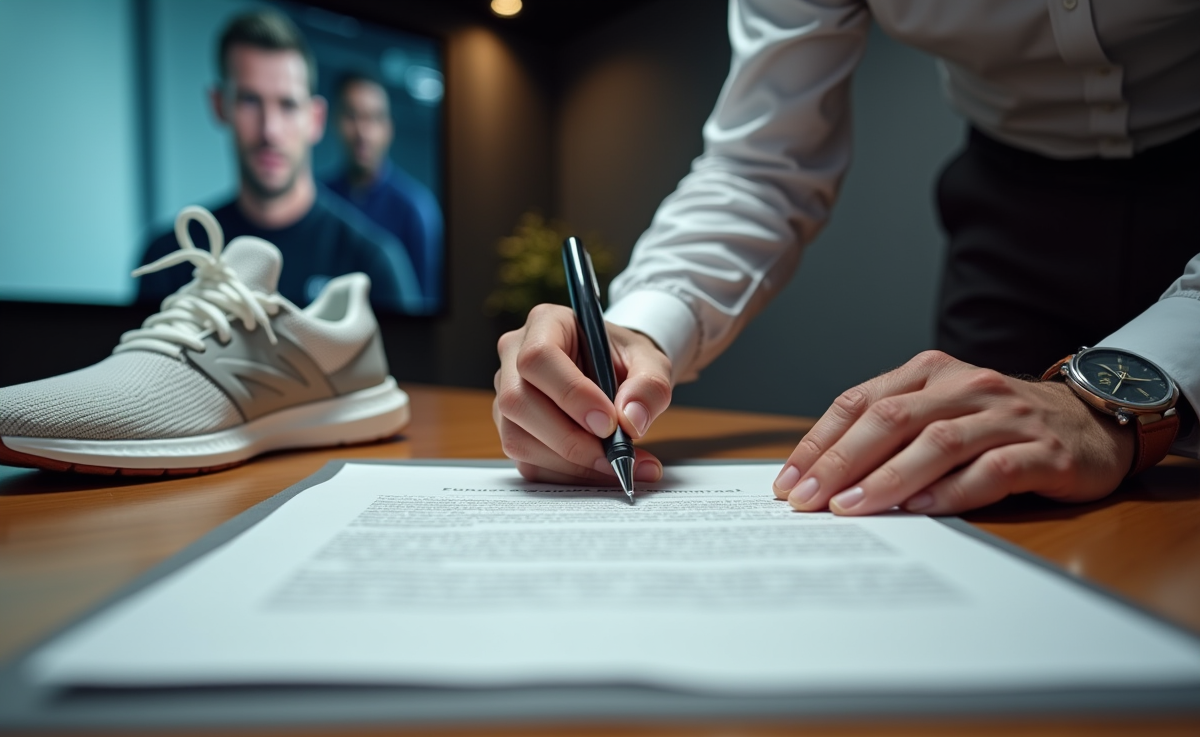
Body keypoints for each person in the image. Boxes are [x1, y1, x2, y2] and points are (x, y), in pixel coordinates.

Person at [492, 0, 1200, 515]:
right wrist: (635, 332)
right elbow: (762, 165)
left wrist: (1110, 405)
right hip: (1012, 201)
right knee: (978, 496)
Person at [137, 10, 423, 315]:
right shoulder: (173, 259)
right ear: (220, 106)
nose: (269, 130)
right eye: (249, 101)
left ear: (315, 119)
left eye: (287, 104)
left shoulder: (372, 265)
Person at [326, 73, 445, 312]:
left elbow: (421, 309)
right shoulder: (319, 198)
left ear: (388, 128)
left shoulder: (416, 209)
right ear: (335, 121)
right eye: (352, 116)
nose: (362, 131)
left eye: (374, 118)